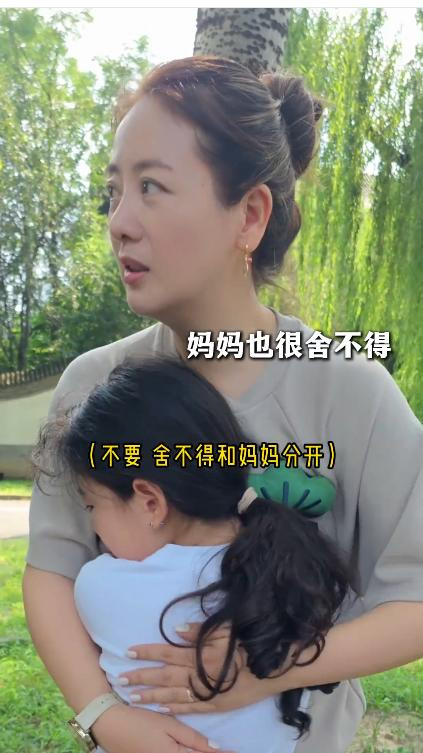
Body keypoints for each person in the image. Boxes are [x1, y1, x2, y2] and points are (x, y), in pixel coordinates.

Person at [23, 55, 423, 753]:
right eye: (114, 191)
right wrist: (104, 716)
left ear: (250, 215)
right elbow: (51, 572)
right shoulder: (94, 384)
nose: (120, 222)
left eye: (152, 187)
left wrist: (274, 666)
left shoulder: (347, 389)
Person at [32, 355, 354, 753]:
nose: (94, 525)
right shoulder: (292, 569)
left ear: (150, 502)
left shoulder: (100, 584)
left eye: (91, 506)